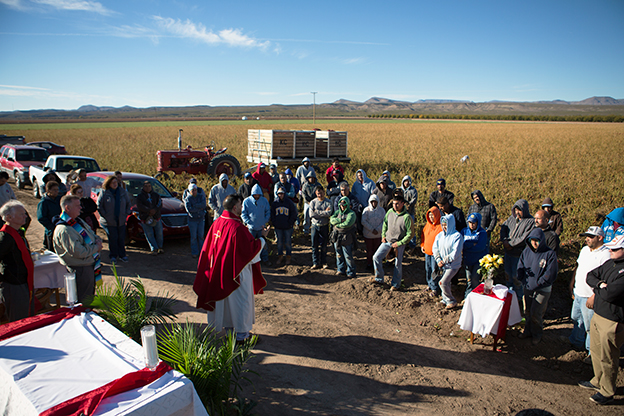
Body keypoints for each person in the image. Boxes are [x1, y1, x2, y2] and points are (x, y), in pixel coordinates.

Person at [193, 194, 268, 344]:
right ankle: (242, 336)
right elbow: (249, 251)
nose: (242, 207)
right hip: (237, 273)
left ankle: (230, 332)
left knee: (226, 305)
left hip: (219, 272)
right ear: (235, 207)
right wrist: (263, 238)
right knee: (241, 303)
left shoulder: (218, 223)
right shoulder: (237, 228)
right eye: (240, 205)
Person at [578, 235, 624, 405]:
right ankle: (597, 380)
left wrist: (600, 286)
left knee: (609, 356)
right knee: (597, 351)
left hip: (613, 319)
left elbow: (611, 294)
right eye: (611, 248)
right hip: (599, 313)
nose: (610, 251)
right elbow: (591, 275)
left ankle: (607, 390)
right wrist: (601, 285)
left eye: (615, 249)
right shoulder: (610, 263)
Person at [568, 226, 610, 355]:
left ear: (600, 238)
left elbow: (606, 279)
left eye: (590, 237)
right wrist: (572, 283)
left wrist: (594, 296)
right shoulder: (585, 250)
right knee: (576, 319)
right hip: (578, 292)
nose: (587, 239)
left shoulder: (606, 254)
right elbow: (578, 267)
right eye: (586, 236)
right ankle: (576, 343)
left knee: (590, 327)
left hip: (590, 296)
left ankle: (591, 353)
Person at [53, 194, 103, 303]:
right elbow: (79, 252)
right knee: (83, 300)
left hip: (88, 265)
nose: (81, 208)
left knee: (89, 296)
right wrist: (96, 247)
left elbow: (92, 234)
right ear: (68, 208)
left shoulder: (77, 221)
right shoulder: (65, 229)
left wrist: (97, 241)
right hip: (80, 269)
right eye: (78, 205)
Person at [517, 228, 558, 345]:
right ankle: (527, 331)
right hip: (528, 286)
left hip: (542, 289)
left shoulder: (549, 254)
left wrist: (539, 283)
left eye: (537, 241)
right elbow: (521, 264)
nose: (534, 243)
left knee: (536, 313)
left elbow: (551, 274)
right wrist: (520, 276)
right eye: (532, 240)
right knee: (528, 311)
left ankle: (537, 334)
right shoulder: (526, 251)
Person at [0, 201, 34, 322]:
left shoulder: (17, 232)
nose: (25, 216)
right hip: (13, 284)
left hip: (22, 282)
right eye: (22, 214)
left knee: (25, 316)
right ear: (9, 217)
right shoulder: (5, 237)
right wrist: (4, 279)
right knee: (18, 321)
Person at [371, 191, 412, 290]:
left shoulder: (407, 217)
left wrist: (400, 243)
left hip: (399, 243)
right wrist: (383, 235)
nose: (395, 205)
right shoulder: (389, 212)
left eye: (397, 203)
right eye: (394, 203)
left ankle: (396, 284)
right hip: (387, 240)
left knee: (397, 264)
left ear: (402, 203)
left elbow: (410, 234)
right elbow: (385, 223)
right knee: (376, 257)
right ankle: (379, 278)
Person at [500, 199, 534, 300]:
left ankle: (520, 298)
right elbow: (503, 228)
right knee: (508, 275)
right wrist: (504, 240)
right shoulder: (511, 219)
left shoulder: (530, 222)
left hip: (518, 254)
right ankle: (509, 296)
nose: (517, 212)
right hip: (508, 253)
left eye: (520, 210)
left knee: (517, 278)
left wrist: (511, 244)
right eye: (516, 210)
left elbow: (524, 237)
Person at [97, 175, 131, 264]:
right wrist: (106, 216)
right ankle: (113, 256)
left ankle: (122, 255)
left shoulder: (122, 192)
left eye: (116, 182)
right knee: (113, 238)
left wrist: (125, 214)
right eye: (112, 182)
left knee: (121, 238)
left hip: (121, 220)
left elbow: (128, 203)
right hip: (109, 221)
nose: (115, 184)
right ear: (108, 183)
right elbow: (99, 206)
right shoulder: (104, 192)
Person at [432, 214, 463, 309]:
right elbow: (435, 248)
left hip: (453, 265)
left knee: (443, 282)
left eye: (446, 224)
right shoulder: (440, 235)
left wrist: (445, 260)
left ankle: (451, 300)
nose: (444, 227)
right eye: (443, 224)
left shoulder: (457, 236)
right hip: (443, 265)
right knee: (447, 283)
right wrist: (438, 259)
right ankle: (444, 300)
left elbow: (455, 253)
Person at [241, 184, 271, 266]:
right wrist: (248, 221)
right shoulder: (246, 201)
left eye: (258, 194)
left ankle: (265, 259)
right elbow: (243, 214)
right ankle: (250, 260)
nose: (257, 196)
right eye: (255, 194)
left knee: (263, 244)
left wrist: (265, 220)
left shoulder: (264, 201)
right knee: (250, 245)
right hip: (251, 228)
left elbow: (268, 212)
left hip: (261, 227)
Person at [461, 213, 488, 300]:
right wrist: (472, 244)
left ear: (478, 223)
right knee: (469, 281)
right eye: (470, 223)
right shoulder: (464, 231)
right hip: (467, 260)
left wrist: (467, 246)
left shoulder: (482, 233)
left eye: (474, 223)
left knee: (475, 280)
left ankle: (476, 298)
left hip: (478, 260)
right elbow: (462, 245)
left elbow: (480, 247)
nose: (472, 225)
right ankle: (467, 298)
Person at [329, 196, 357, 278]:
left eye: (344, 204)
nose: (342, 206)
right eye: (341, 204)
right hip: (336, 236)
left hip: (347, 236)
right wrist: (340, 221)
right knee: (338, 254)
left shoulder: (351, 213)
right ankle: (340, 269)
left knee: (347, 255)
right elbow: (331, 219)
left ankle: (351, 271)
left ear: (347, 204)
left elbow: (348, 223)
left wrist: (337, 225)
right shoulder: (337, 212)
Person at [271, 187, 297, 265]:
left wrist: (290, 223)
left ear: (284, 194)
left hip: (288, 227)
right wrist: (274, 223)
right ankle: (280, 256)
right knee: (279, 243)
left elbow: (294, 214)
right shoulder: (275, 203)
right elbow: (272, 214)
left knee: (288, 243)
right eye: (279, 194)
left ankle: (288, 257)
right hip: (278, 227)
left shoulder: (289, 203)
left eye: (282, 193)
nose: (280, 195)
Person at [136, 181, 164, 255]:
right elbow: (140, 206)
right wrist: (148, 210)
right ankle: (154, 248)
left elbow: (160, 204)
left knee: (159, 233)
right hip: (145, 218)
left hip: (156, 217)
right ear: (143, 187)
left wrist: (155, 210)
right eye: (146, 186)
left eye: (149, 186)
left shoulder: (156, 195)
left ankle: (160, 247)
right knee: (149, 234)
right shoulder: (140, 196)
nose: (148, 188)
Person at [421, 206, 443, 296]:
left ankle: (435, 288)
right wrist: (422, 245)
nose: (431, 217)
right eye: (429, 215)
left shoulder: (440, 227)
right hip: (427, 252)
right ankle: (429, 284)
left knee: (435, 270)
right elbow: (423, 236)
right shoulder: (427, 225)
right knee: (428, 269)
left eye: (433, 215)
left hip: (435, 254)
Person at [309, 186, 332, 269]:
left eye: (321, 193)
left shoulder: (328, 202)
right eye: (318, 193)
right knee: (314, 245)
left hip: (324, 226)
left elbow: (329, 213)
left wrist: (317, 212)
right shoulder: (313, 202)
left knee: (324, 245)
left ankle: (324, 262)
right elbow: (312, 214)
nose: (320, 195)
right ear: (316, 193)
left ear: (324, 192)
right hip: (315, 226)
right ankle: (315, 262)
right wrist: (323, 212)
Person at [37, 181, 61, 251]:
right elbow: (41, 218)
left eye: (57, 190)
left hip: (61, 228)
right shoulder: (44, 202)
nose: (56, 191)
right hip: (51, 231)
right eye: (54, 190)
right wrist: (51, 227)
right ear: (48, 190)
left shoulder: (59, 199)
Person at [362, 194, 384, 271]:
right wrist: (372, 229)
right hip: (368, 235)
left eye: (375, 202)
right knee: (369, 250)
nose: (374, 203)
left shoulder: (382, 210)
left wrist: (378, 229)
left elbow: (384, 222)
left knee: (377, 250)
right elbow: (363, 221)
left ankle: (377, 264)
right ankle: (369, 263)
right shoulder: (366, 210)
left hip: (378, 234)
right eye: (372, 202)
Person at [184, 183, 207, 258]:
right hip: (192, 220)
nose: (194, 192)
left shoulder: (201, 196)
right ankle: (194, 252)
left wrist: (195, 205)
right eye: (192, 190)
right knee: (193, 237)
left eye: (195, 190)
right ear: (190, 191)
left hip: (201, 219)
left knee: (201, 236)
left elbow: (204, 205)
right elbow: (189, 209)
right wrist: (199, 207)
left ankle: (202, 251)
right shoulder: (188, 199)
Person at [301, 171, 319, 235]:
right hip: (307, 202)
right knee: (306, 215)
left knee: (316, 215)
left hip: (316, 202)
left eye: (312, 178)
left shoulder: (317, 185)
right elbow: (303, 194)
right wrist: (307, 201)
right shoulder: (305, 185)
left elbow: (320, 192)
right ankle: (306, 229)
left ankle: (315, 228)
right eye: (310, 178)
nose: (311, 179)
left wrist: (315, 201)